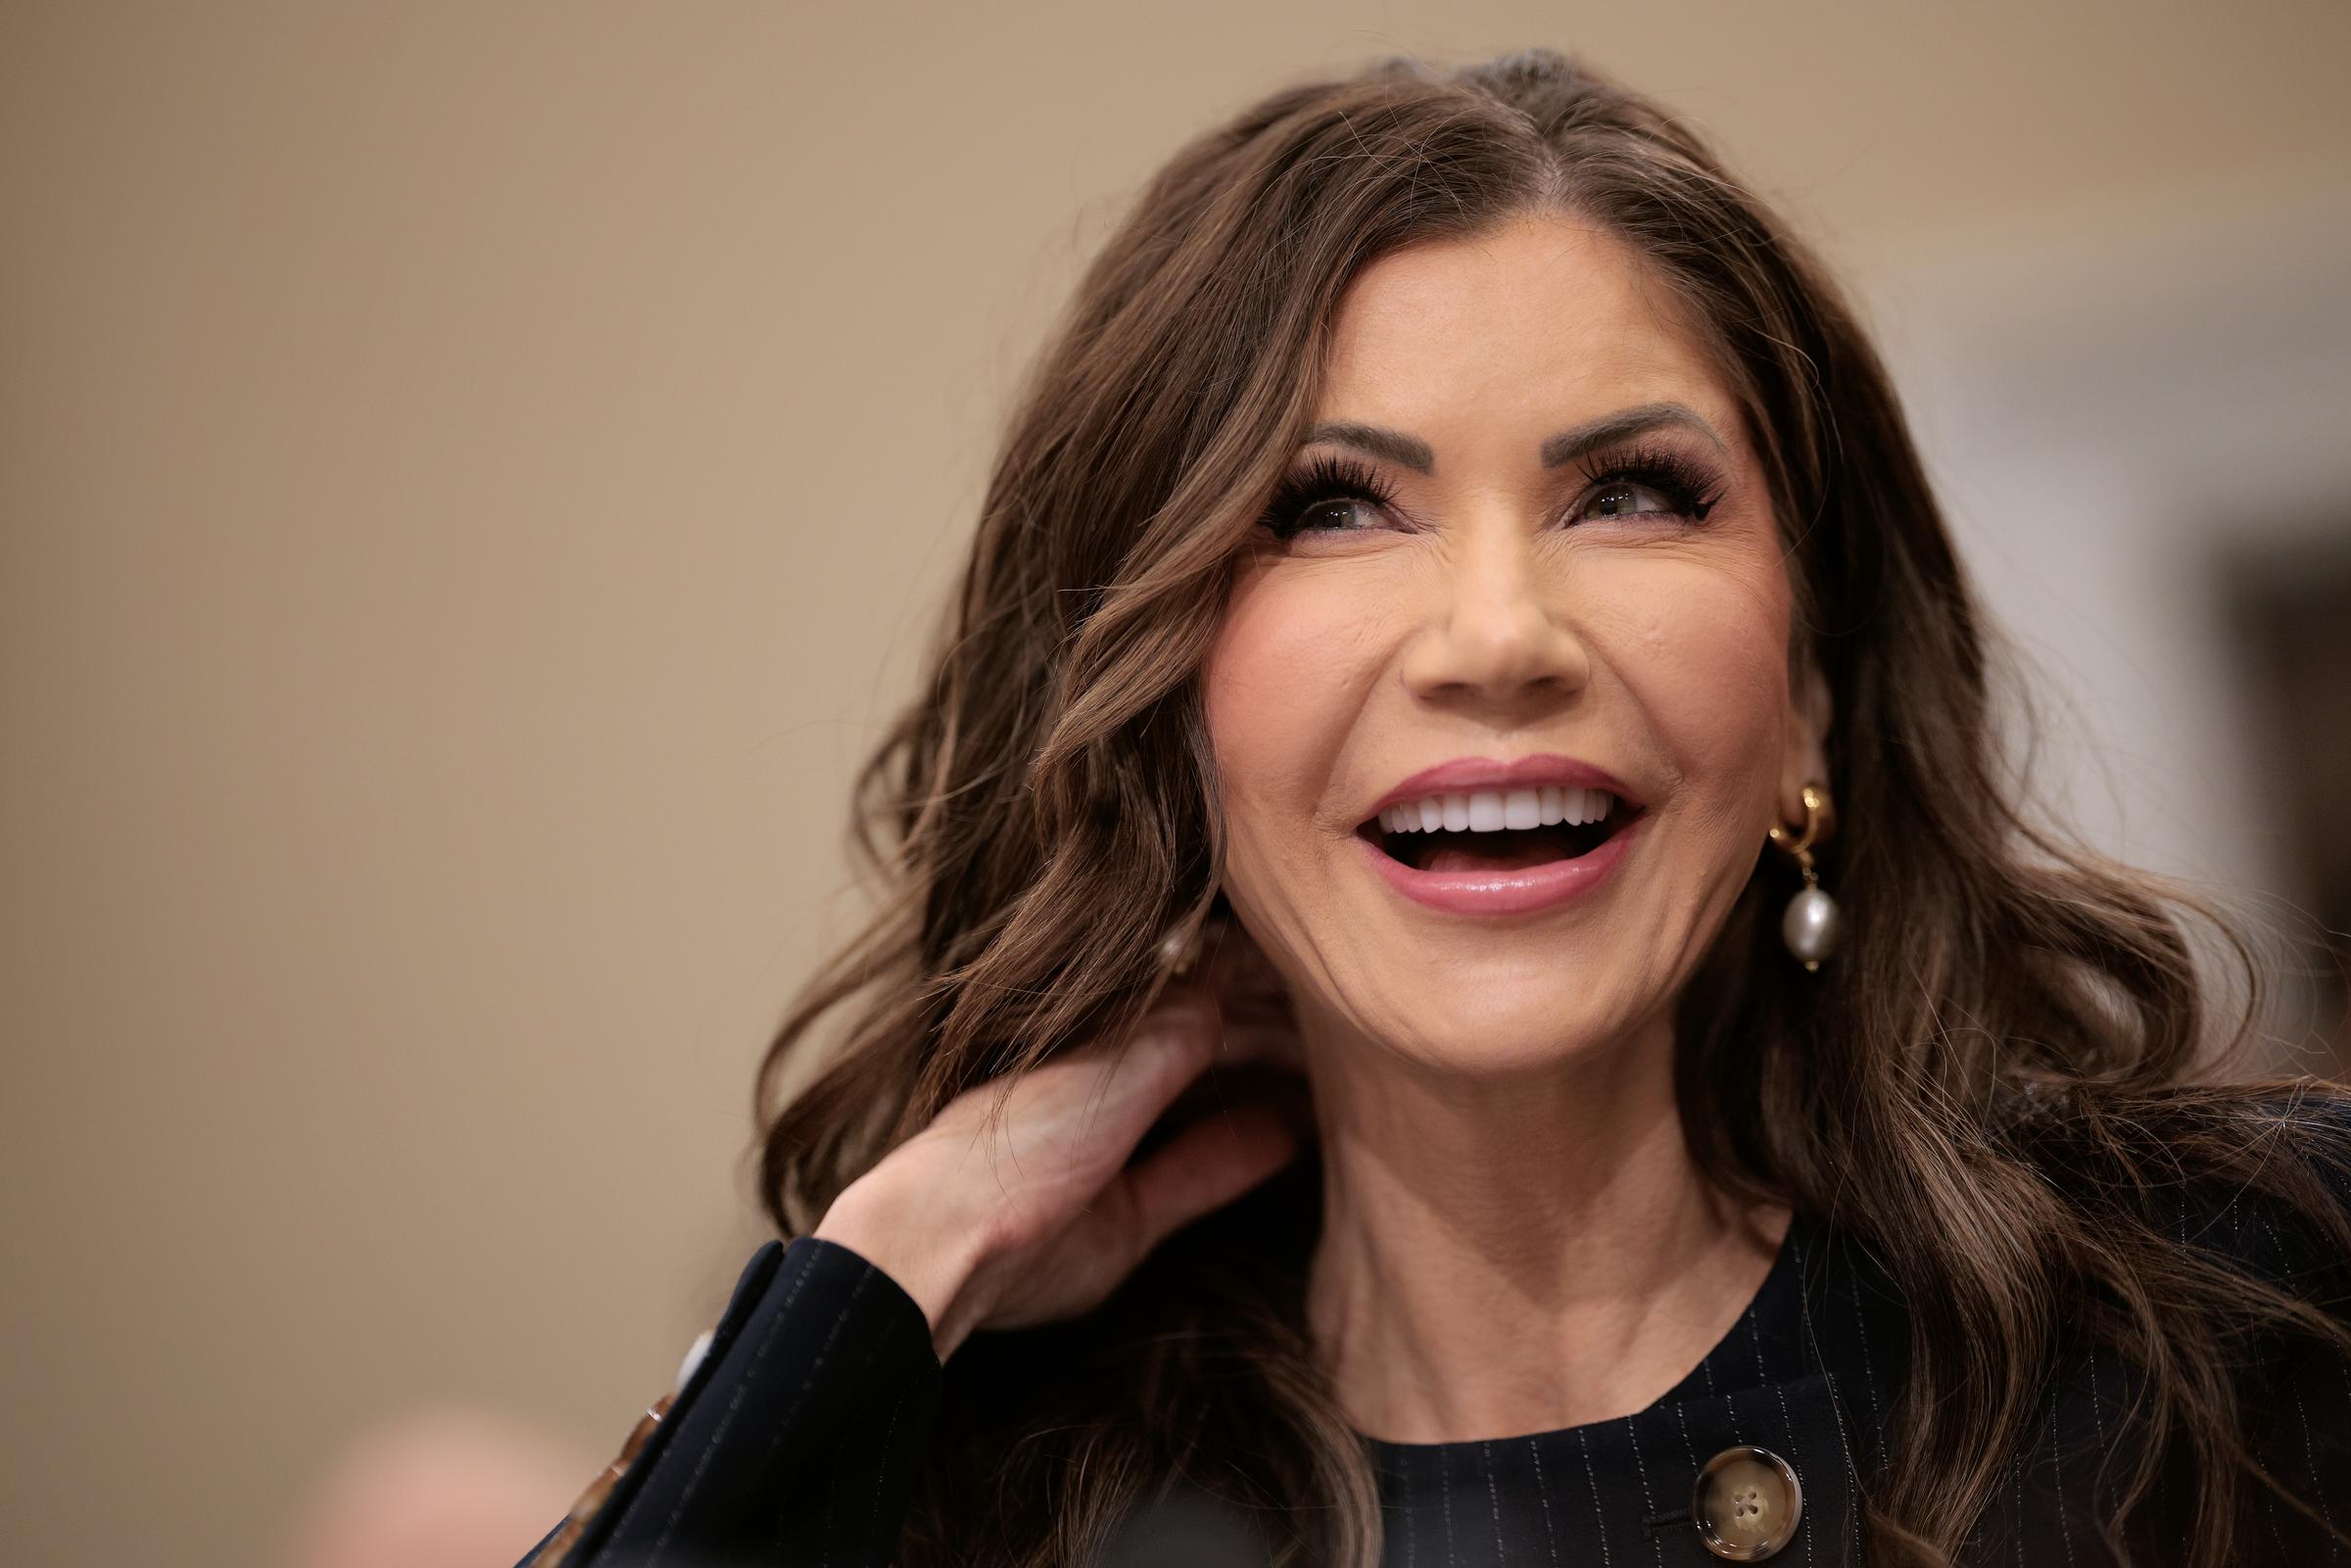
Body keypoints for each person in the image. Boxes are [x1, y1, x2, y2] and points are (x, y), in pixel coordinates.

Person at [514, 47, 2351, 1568]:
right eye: (1327, 507)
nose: (1495, 634)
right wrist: (911, 1246)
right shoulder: (996, 1497)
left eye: (1630, 492)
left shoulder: (2244, 1320)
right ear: (1155, 711)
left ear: (1813, 687)